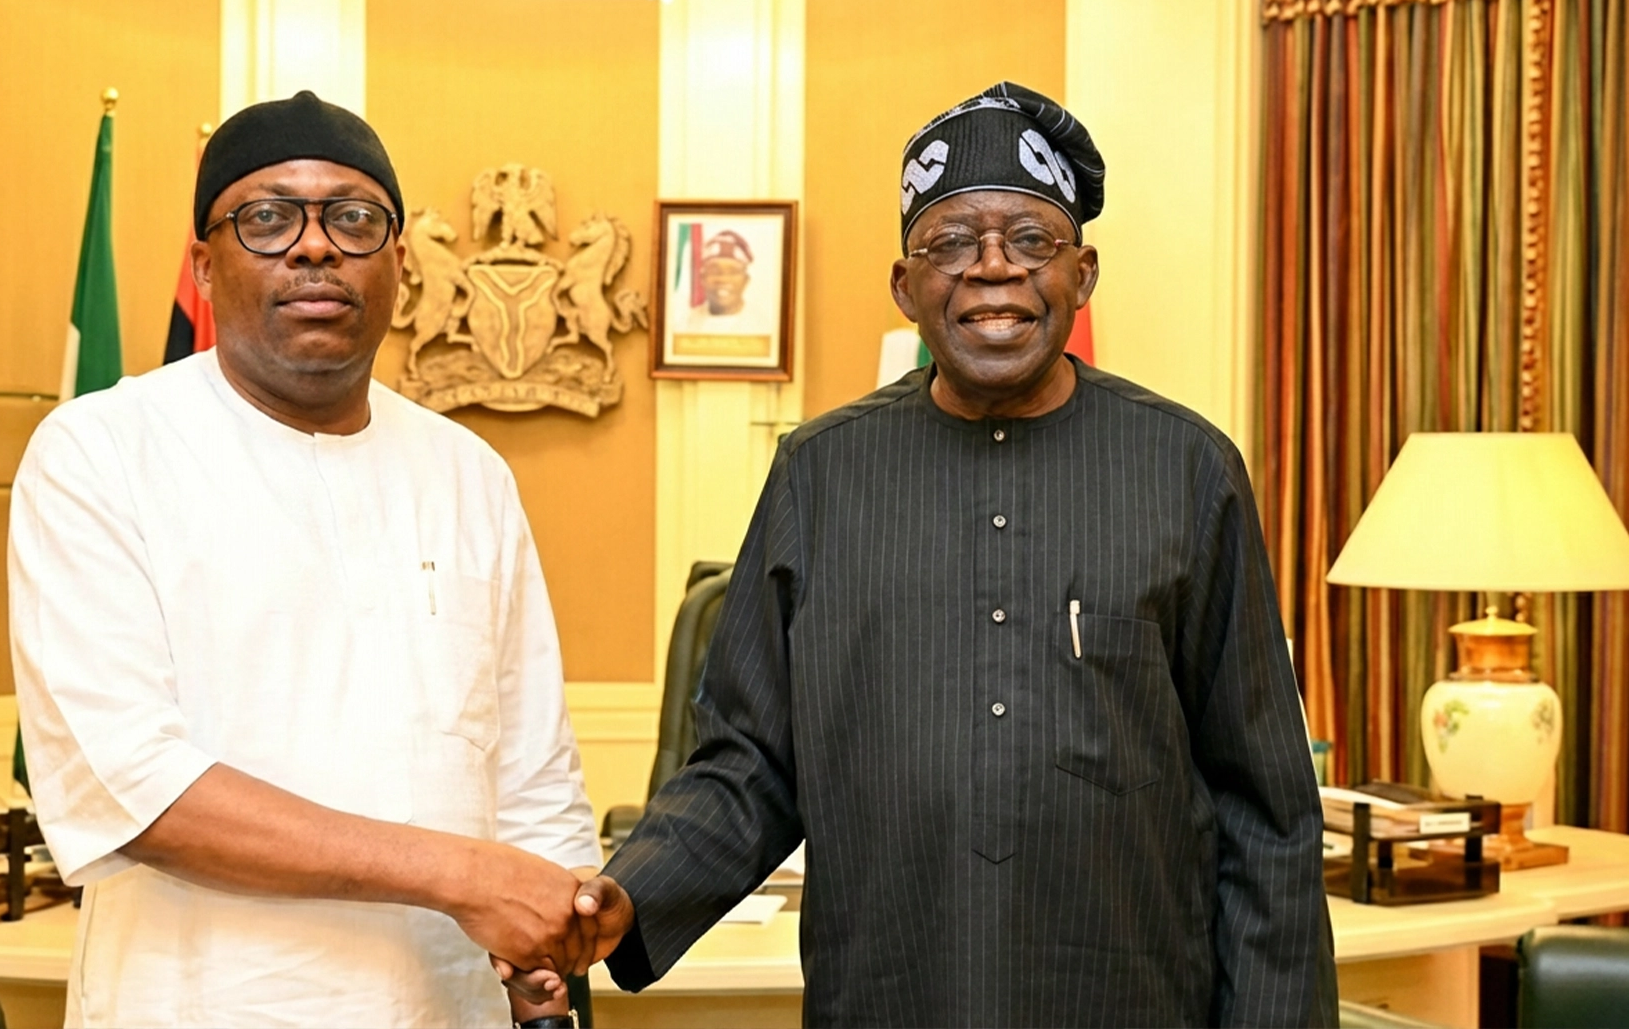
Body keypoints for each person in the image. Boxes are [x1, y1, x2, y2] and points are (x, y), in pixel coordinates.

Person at [561, 81, 1339, 1025]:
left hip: (1129, 997)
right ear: (906, 286)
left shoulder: (1185, 468)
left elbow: (1265, 810)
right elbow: (751, 762)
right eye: (953, 243)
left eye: (1030, 240)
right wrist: (625, 896)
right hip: (886, 994)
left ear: (1082, 274)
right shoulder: (821, 474)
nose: (993, 270)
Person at [11, 90, 603, 1028]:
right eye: (269, 216)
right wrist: (464, 872)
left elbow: (533, 773)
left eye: (354, 218)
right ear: (204, 266)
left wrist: (551, 941)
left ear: (399, 265)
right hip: (201, 1006)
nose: (316, 244)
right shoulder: (100, 450)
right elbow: (137, 789)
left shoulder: (469, 472)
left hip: (451, 1009)